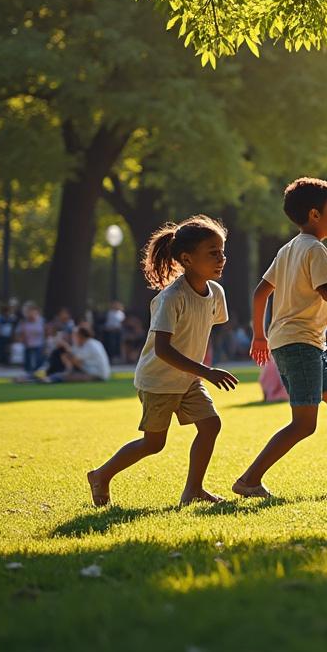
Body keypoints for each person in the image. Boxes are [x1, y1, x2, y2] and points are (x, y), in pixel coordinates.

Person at [235, 177, 327, 497]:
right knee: (304, 423)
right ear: (315, 215)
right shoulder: (315, 250)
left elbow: (261, 292)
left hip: (298, 344)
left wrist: (260, 336)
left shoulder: (289, 249)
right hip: (300, 344)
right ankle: (249, 479)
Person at [86, 216, 238, 506]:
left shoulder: (216, 292)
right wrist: (207, 371)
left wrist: (202, 370)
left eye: (222, 251)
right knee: (154, 443)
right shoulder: (172, 298)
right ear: (187, 258)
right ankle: (101, 475)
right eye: (212, 253)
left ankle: (193, 490)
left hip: (188, 379)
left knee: (210, 425)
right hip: (158, 381)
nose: (221, 259)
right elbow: (163, 350)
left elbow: (205, 331)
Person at [46, 326, 111, 382]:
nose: (74, 338)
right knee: (66, 374)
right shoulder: (93, 343)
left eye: (75, 336)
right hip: (98, 373)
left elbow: (75, 361)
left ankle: (49, 379)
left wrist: (66, 348)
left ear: (81, 336)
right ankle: (50, 378)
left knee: (66, 377)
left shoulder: (90, 346)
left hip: (97, 374)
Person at [15, 302, 46, 376]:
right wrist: (21, 339)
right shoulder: (23, 321)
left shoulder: (42, 320)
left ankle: (36, 372)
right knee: (28, 361)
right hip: (28, 344)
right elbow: (19, 332)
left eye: (33, 312)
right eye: (28, 312)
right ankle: (29, 373)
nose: (31, 314)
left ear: (36, 312)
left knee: (39, 359)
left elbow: (46, 331)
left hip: (39, 343)